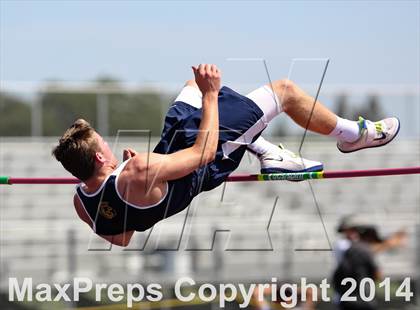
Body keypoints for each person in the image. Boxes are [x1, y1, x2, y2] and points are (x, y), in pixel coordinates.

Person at [52, 64, 400, 246]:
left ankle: (264, 149)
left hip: (169, 156)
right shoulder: (138, 170)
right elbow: (203, 153)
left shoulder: (82, 204)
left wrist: (135, 176)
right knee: (284, 92)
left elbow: (124, 236)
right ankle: (357, 135)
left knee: (190, 87)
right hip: (207, 155)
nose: (108, 145)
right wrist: (211, 96)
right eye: (103, 144)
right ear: (98, 158)